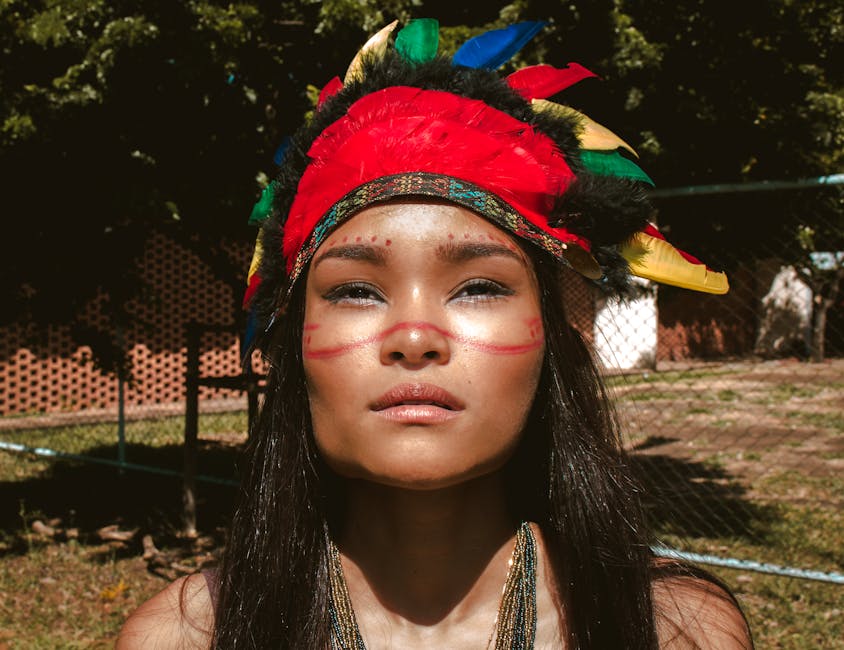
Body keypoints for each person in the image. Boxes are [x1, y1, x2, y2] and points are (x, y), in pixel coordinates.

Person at [118, 19, 750, 649]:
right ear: (295, 347)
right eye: (355, 290)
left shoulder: (675, 631)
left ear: (550, 339)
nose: (415, 337)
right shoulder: (183, 636)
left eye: (479, 286)